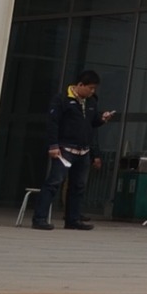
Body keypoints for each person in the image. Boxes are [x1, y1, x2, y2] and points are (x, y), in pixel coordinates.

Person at [33, 70, 113, 231]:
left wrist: (102, 119)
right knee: (54, 182)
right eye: (90, 88)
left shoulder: (91, 102)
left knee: (78, 185)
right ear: (80, 85)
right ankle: (40, 218)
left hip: (83, 150)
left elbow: (91, 123)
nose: (92, 91)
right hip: (65, 149)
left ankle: (73, 219)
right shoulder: (62, 99)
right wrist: (53, 145)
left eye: (94, 89)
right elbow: (53, 123)